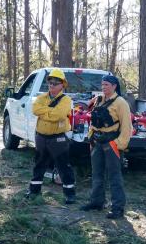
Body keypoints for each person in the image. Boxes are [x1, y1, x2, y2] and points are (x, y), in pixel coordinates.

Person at [80, 74, 132, 219]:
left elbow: (127, 126)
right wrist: (91, 137)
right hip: (97, 142)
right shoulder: (99, 100)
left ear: (114, 86)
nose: (103, 87)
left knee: (114, 177)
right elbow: (93, 120)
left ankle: (117, 208)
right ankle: (96, 202)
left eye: (107, 85)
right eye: (102, 85)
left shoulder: (121, 103)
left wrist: (119, 144)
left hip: (112, 143)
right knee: (97, 174)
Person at [27, 68, 76, 204]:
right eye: (50, 82)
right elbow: (35, 109)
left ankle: (70, 194)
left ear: (62, 85)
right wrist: (51, 112)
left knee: (63, 166)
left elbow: (59, 115)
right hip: (41, 137)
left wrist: (45, 113)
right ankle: (34, 191)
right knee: (39, 164)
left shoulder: (66, 100)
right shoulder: (41, 98)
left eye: (55, 83)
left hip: (58, 138)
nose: (52, 85)